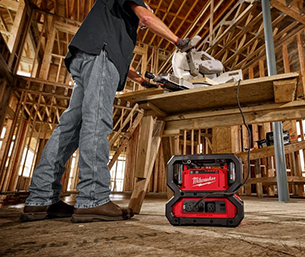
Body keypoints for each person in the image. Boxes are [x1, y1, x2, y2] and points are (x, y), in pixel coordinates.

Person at [20, 0, 189, 222]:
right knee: (96, 122)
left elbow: (116, 56)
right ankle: (93, 199)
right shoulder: (134, 9)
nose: (143, 26)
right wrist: (179, 42)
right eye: (144, 22)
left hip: (86, 58)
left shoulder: (110, 19)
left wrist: (139, 79)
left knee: (69, 128)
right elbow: (146, 17)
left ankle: (41, 199)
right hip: (98, 57)